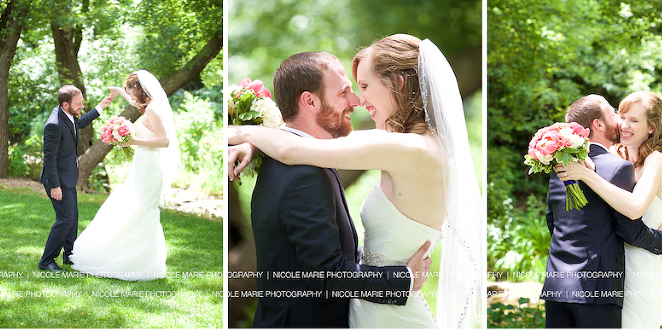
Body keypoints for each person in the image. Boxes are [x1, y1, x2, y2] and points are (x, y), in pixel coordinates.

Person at [228, 34, 483, 328]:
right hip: (374, 309)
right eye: (350, 89)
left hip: (387, 316)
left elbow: (291, 148)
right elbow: (297, 146)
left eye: (364, 86)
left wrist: (242, 133)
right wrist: (256, 144)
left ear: (398, 84)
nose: (359, 100)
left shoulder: (407, 148)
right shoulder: (413, 144)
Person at [556, 91, 662, 328]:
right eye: (622, 116)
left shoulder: (657, 161)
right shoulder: (612, 155)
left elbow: (635, 208)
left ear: (651, 128)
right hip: (604, 267)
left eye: (634, 120)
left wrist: (586, 175)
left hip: (639, 268)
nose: (624, 125)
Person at [69, 70, 180, 281]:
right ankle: (126, 254)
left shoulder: (153, 110)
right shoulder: (150, 105)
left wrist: (133, 141)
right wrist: (119, 91)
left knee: (143, 209)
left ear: (138, 88)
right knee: (132, 206)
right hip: (142, 164)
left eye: (130, 91)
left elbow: (164, 140)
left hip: (149, 168)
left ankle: (137, 260)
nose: (131, 97)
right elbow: (133, 102)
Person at [39, 85, 116, 272]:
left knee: (72, 219)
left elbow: (79, 123)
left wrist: (101, 106)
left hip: (68, 177)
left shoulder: (68, 114)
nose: (82, 106)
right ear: (66, 104)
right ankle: (47, 261)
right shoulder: (54, 125)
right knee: (65, 220)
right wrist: (55, 186)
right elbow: (49, 159)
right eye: (78, 103)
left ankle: (70, 256)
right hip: (56, 180)